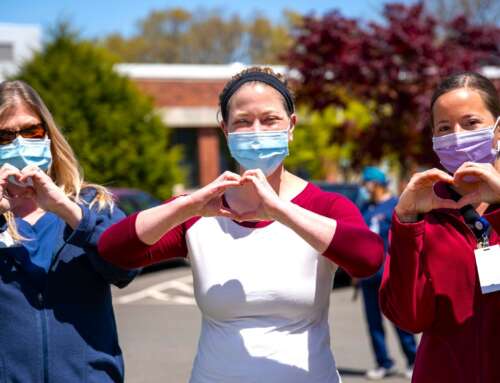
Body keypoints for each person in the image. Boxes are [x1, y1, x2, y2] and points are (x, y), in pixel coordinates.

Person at [98, 66, 384, 383]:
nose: (257, 131)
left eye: (270, 120)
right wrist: (185, 206)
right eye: (243, 122)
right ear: (225, 129)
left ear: (291, 126)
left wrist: (281, 211)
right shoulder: (203, 212)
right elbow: (114, 250)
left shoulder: (326, 207)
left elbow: (369, 259)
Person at [0, 80, 138, 382]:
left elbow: (125, 268)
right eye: (5, 136)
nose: (19, 143)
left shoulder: (93, 204)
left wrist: (65, 207)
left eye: (31, 131)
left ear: (49, 136)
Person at [379, 71, 500, 383]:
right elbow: (409, 317)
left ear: (498, 130)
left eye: (471, 123)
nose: (457, 137)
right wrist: (406, 221)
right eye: (445, 128)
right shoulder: (427, 210)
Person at [359, 166, 416, 380]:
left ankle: (413, 360)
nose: (364, 188)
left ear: (377, 184)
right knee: (373, 323)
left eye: (367, 183)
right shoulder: (365, 207)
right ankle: (384, 362)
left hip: (391, 276)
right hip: (367, 276)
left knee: (400, 320)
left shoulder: (396, 206)